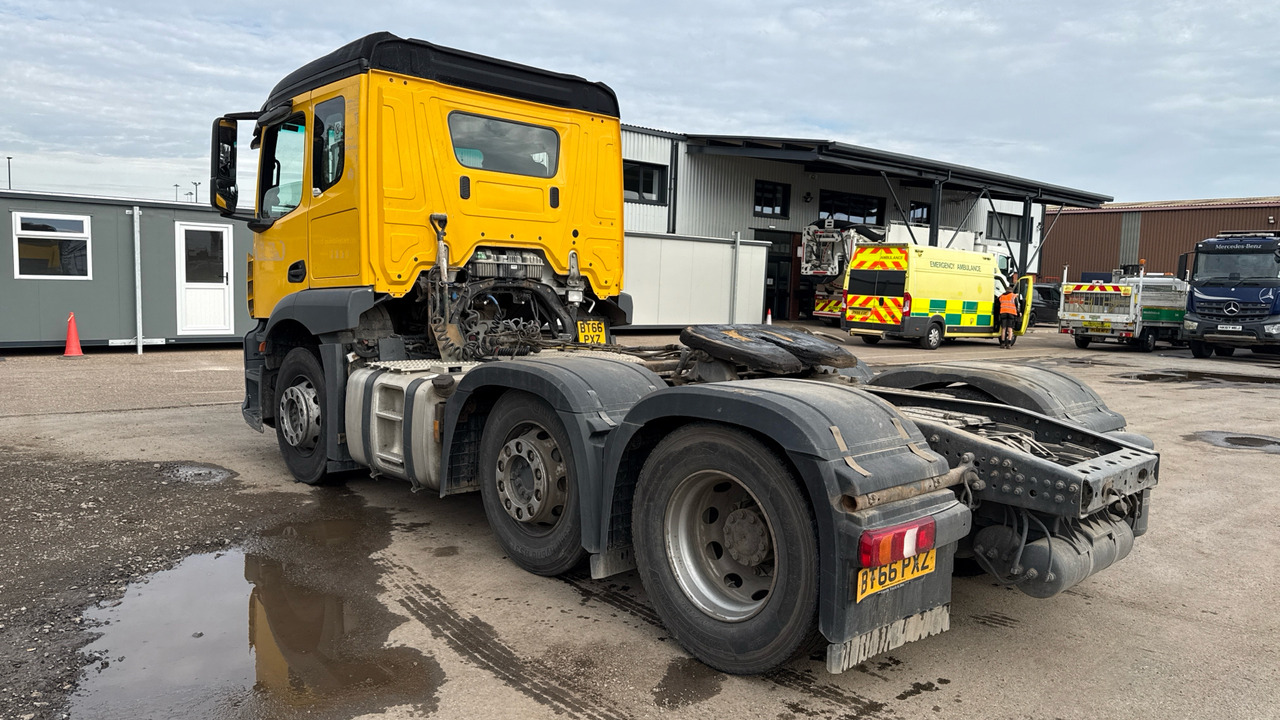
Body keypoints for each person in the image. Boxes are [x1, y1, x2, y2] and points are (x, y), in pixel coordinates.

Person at [997, 278, 1020, 349]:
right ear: (1011, 291)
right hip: (1011, 314)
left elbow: (998, 304)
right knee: (1010, 329)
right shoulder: (1013, 296)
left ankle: (1002, 343)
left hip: (1003, 313)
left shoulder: (1001, 296)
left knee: (1003, 329)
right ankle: (1009, 344)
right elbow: (1016, 305)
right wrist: (1019, 313)